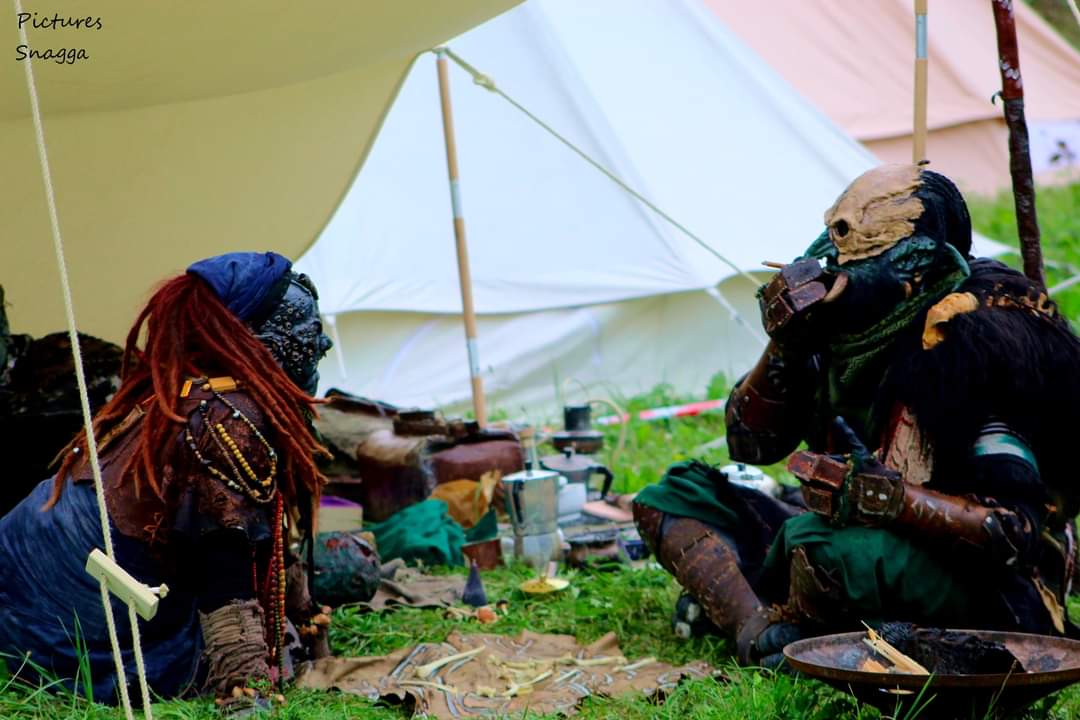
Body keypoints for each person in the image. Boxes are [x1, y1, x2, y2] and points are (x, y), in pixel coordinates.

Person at [633, 165, 1080, 665]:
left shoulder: (970, 339)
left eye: (855, 248)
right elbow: (749, 445)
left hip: (982, 579)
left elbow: (1016, 531)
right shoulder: (839, 328)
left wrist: (890, 500)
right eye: (833, 240)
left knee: (818, 546)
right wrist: (786, 345)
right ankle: (757, 630)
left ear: (914, 267)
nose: (831, 265)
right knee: (675, 495)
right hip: (856, 539)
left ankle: (803, 633)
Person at [0, 252, 335, 708]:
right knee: (346, 569)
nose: (322, 344)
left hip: (24, 572)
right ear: (259, 340)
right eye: (307, 330)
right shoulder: (227, 416)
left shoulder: (192, 389)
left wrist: (304, 613)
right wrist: (246, 688)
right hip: (59, 613)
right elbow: (227, 567)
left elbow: (261, 540)